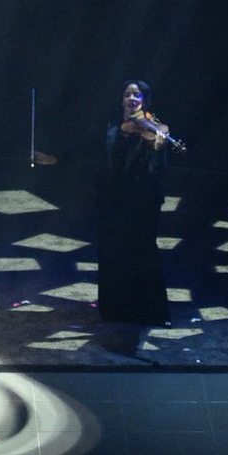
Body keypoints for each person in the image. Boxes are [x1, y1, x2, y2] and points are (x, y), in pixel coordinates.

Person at [96, 80, 171, 326]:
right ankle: (115, 311)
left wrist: (158, 146)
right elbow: (96, 155)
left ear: (144, 101)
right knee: (114, 253)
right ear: (122, 100)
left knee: (144, 252)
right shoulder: (112, 126)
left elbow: (156, 167)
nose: (132, 98)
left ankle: (155, 313)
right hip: (115, 200)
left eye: (137, 95)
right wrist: (53, 158)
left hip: (144, 201)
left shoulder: (155, 128)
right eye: (128, 94)